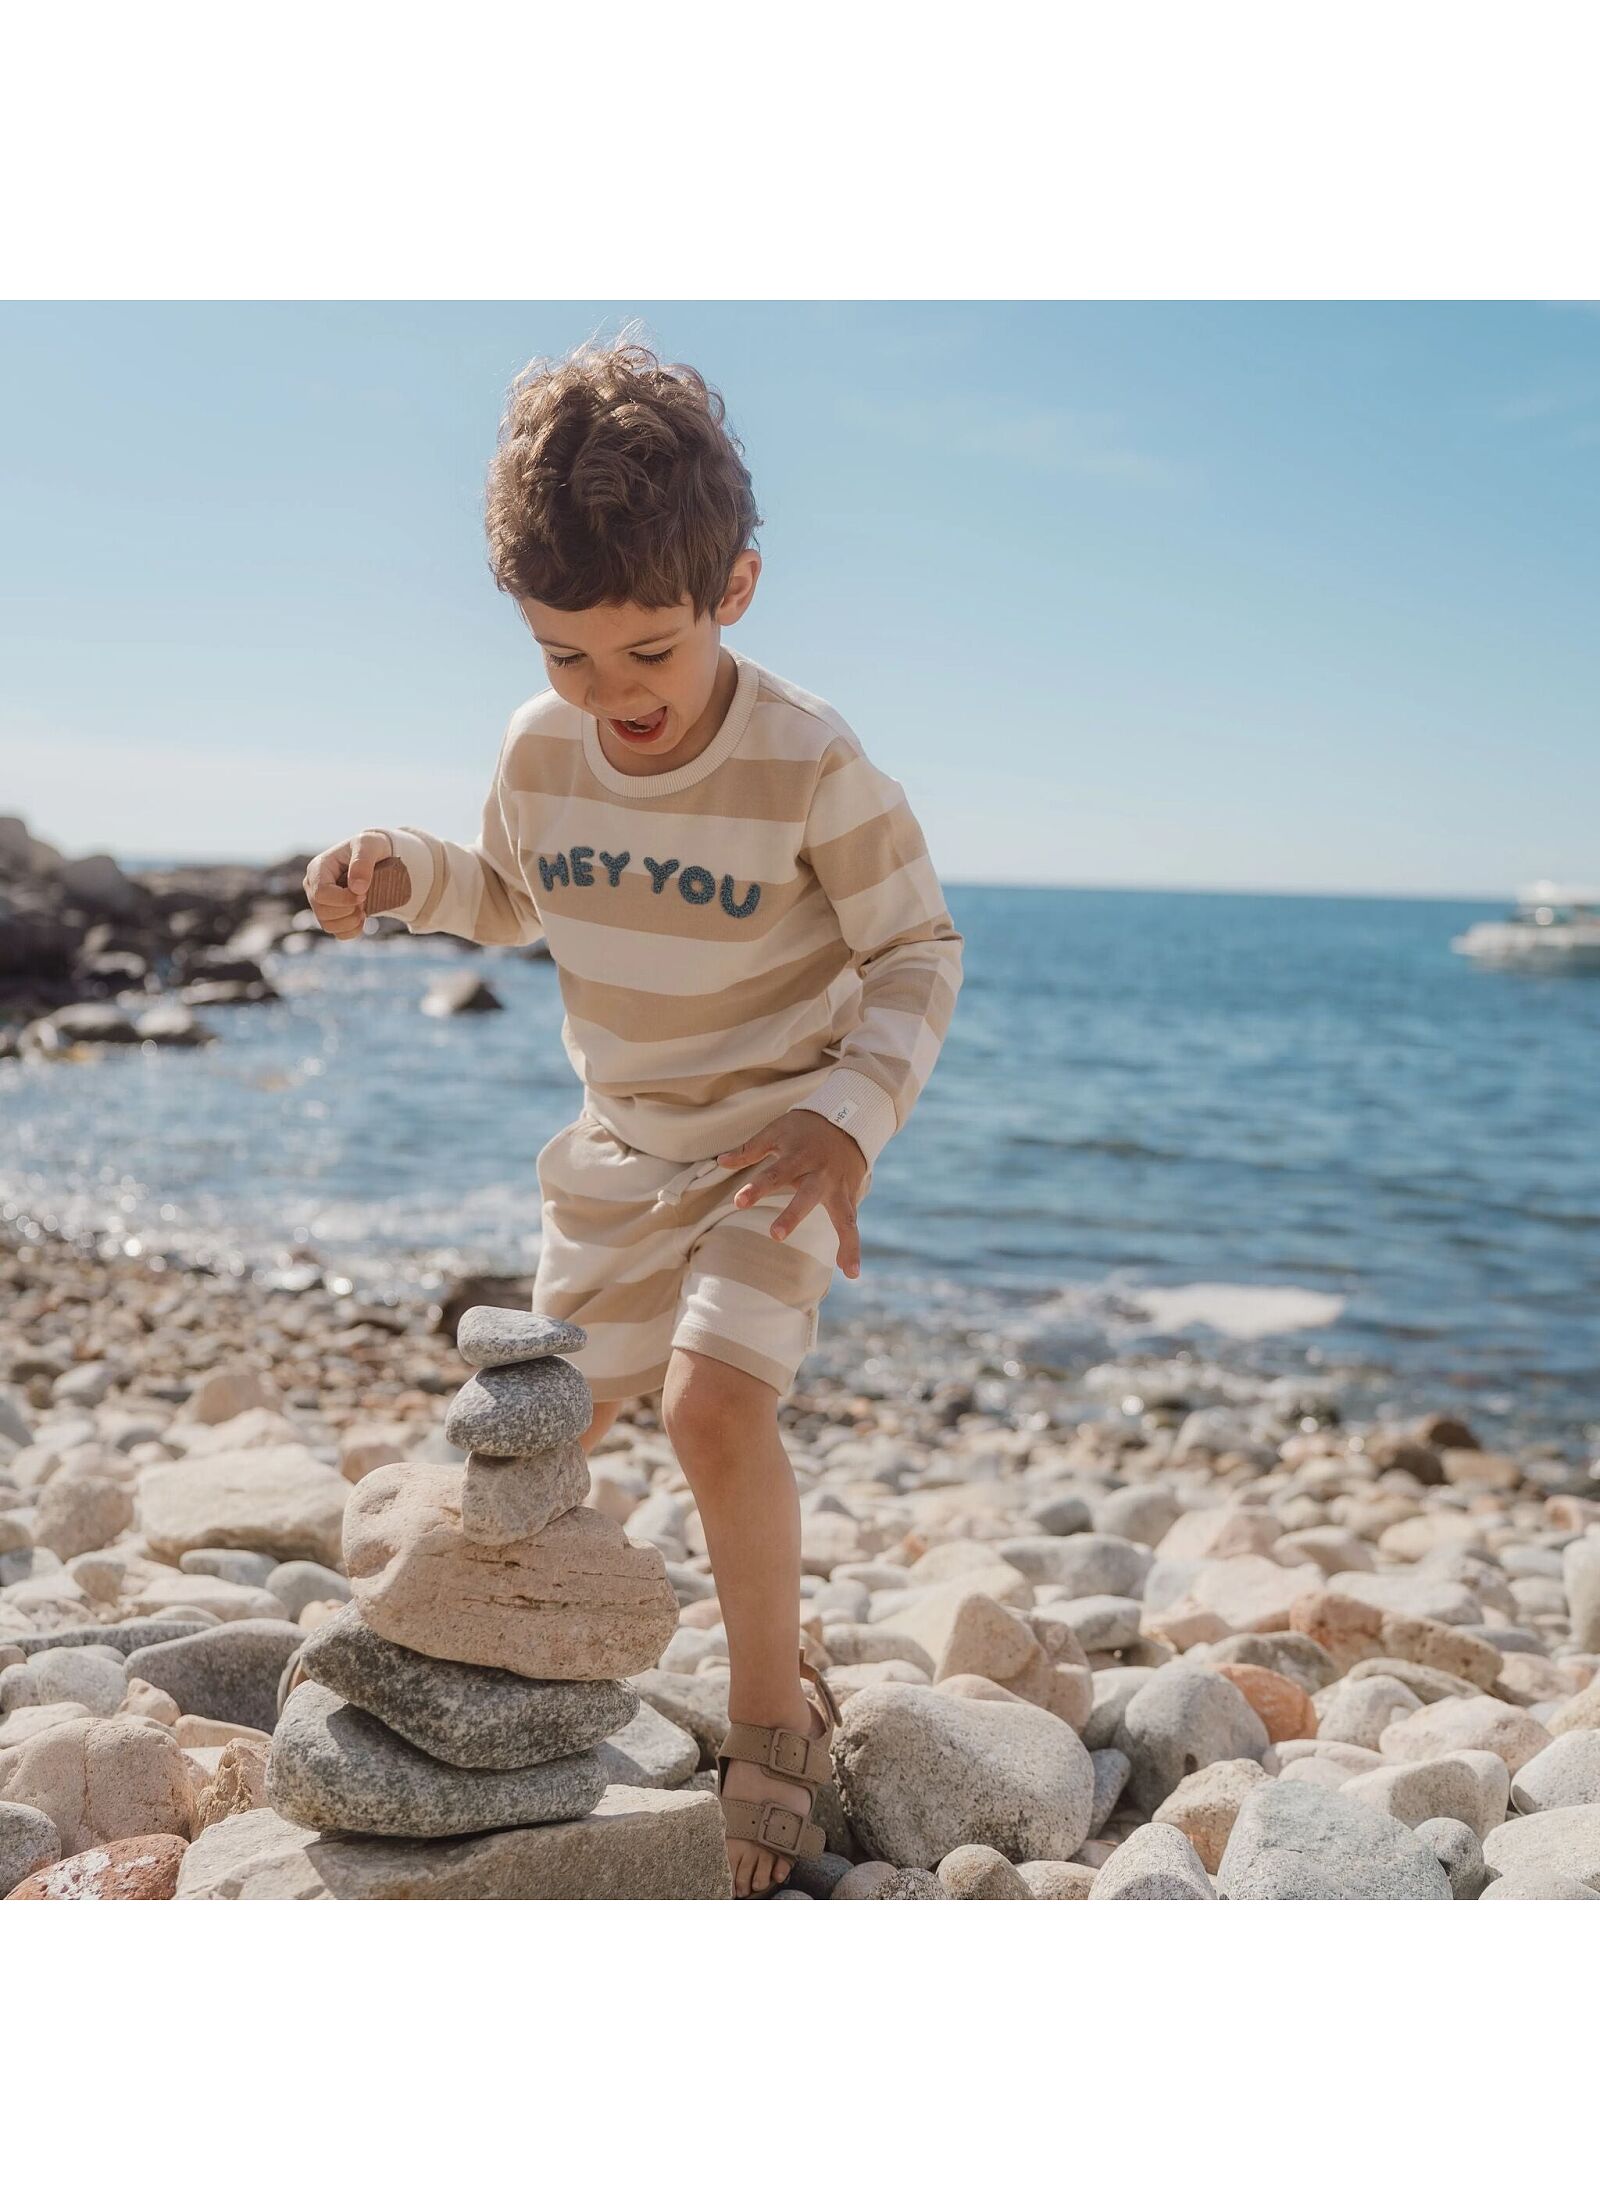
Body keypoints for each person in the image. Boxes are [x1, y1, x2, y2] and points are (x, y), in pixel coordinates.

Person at [305, 329, 964, 1895]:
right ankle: (502, 1702)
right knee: (550, 1439)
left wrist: (847, 1120)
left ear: (734, 589)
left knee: (711, 1407)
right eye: (568, 658)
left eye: (648, 654)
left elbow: (917, 952)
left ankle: (769, 1718)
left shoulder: (808, 761)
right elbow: (511, 897)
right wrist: (407, 873)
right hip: (617, 1156)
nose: (612, 695)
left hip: (774, 1147)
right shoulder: (542, 749)